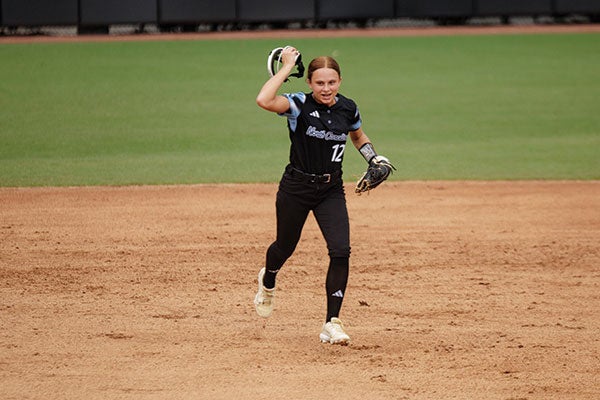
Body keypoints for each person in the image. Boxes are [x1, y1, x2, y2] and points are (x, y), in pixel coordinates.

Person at [253, 46, 391, 345]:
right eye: (319, 83)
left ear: (339, 81)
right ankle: (268, 279)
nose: (326, 88)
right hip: (297, 188)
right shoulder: (298, 105)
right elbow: (264, 100)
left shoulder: (348, 107)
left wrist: (372, 158)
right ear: (310, 83)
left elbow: (357, 135)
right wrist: (286, 67)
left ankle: (332, 322)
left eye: (331, 82)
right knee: (284, 247)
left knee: (341, 250)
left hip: (331, 189)